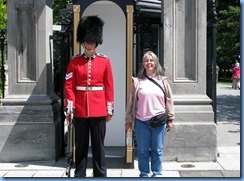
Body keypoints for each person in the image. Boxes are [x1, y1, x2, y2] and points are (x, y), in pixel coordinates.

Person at [64, 15, 114, 177]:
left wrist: (109, 108)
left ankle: (100, 175)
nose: (89, 43)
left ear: (96, 41)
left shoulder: (105, 61)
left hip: (99, 109)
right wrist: (70, 107)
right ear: (83, 41)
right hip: (79, 109)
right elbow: (69, 86)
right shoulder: (75, 61)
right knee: (81, 146)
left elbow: (109, 86)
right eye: (87, 40)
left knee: (99, 146)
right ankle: (80, 175)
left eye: (92, 40)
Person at [125, 51, 174, 177]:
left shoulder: (163, 81)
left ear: (156, 63)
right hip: (141, 122)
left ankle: (157, 174)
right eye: (146, 60)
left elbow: (169, 100)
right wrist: (128, 120)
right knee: (142, 151)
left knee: (157, 151)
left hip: (158, 121)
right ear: (143, 63)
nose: (149, 63)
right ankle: (144, 174)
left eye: (151, 60)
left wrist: (170, 119)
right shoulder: (137, 82)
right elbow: (130, 102)